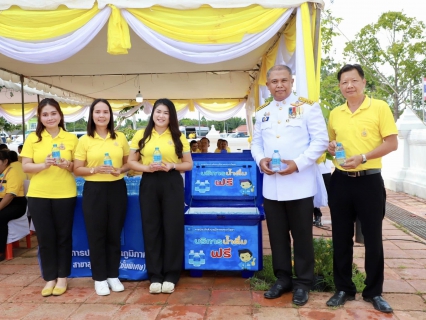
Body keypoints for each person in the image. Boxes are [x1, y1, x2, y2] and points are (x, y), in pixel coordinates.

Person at [251, 65, 328, 305]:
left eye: (284, 80)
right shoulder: (262, 112)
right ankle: (283, 279)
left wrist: (297, 163)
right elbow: (256, 143)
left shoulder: (308, 107)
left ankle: (303, 283)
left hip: (299, 184)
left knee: (302, 236)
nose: (279, 85)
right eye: (274, 81)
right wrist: (260, 159)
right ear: (268, 85)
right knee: (277, 237)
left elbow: (321, 141)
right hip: (272, 186)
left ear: (292, 82)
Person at [326, 64, 398, 313]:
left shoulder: (379, 107)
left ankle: (373, 292)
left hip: (369, 180)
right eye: (344, 82)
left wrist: (363, 157)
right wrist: (331, 147)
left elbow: (392, 143)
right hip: (341, 181)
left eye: (354, 81)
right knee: (340, 237)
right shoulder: (336, 113)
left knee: (373, 238)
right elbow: (331, 144)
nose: (349, 86)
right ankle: (343, 288)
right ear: (340, 86)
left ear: (364, 82)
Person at [128, 98, 193, 294]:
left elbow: (188, 164)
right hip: (149, 182)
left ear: (171, 116)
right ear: (152, 113)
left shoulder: (178, 136)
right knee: (151, 228)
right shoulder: (142, 134)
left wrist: (173, 165)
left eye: (166, 112)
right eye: (158, 111)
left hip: (171, 181)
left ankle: (172, 274)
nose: (161, 116)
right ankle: (155, 275)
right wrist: (146, 167)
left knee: (172, 227)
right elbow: (132, 161)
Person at [21, 98, 78, 297]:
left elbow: (77, 168)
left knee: (63, 237)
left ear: (60, 115)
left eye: (53, 113)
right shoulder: (33, 139)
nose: (50, 117)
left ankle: (62, 277)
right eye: (45, 114)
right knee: (45, 238)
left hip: (65, 193)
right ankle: (49, 278)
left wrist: (67, 165)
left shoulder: (71, 138)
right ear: (39, 117)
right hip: (38, 194)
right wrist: (43, 165)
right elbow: (25, 166)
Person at [74, 99, 130, 296]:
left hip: (117, 188)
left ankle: (113, 275)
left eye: (105, 111)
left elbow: (127, 164)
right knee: (96, 234)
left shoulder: (120, 137)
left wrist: (120, 170)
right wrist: (94, 169)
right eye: (97, 112)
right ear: (92, 115)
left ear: (110, 115)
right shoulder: (84, 140)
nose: (101, 115)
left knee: (114, 233)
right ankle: (99, 278)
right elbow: (76, 168)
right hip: (94, 190)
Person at [0, 150, 27, 262]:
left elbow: (10, 195)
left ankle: (1, 251)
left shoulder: (12, 173)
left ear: (5, 161)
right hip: (3, 201)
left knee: (1, 217)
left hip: (16, 203)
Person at [313, 158, 332, 227]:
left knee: (331, 195)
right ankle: (317, 216)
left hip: (325, 169)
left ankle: (335, 217)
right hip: (312, 169)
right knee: (313, 193)